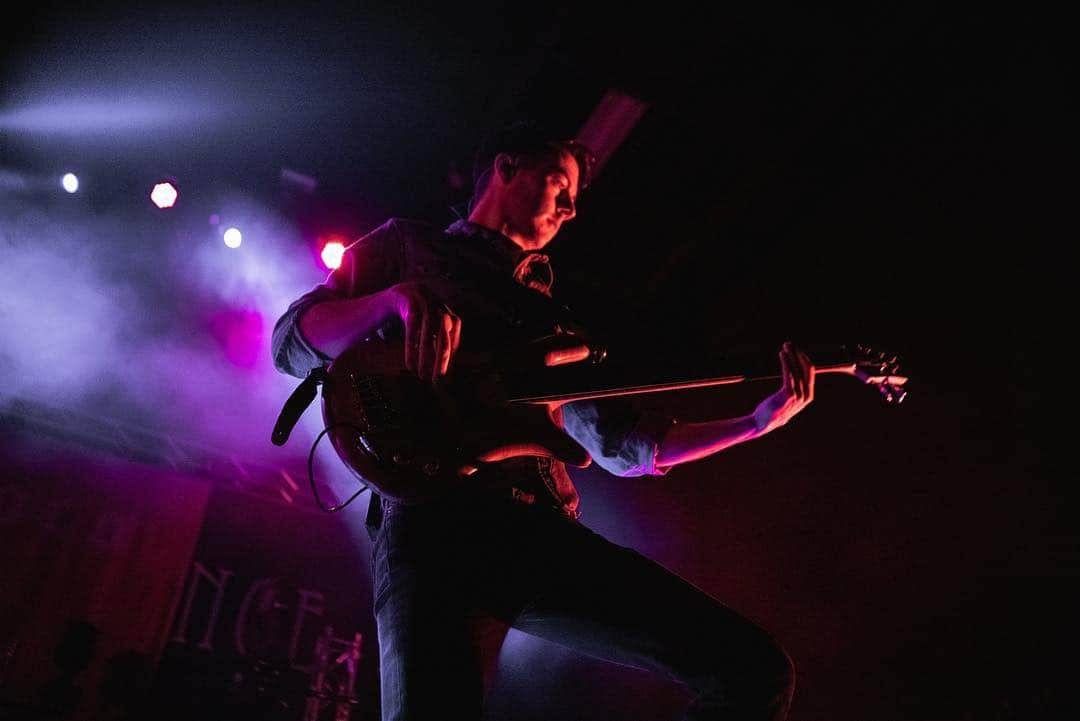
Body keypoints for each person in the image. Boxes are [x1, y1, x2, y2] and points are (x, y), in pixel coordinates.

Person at [271, 121, 815, 721]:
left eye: (576, 197)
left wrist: (753, 424)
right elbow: (290, 342)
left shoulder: (554, 325)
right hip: (433, 532)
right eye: (561, 183)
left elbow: (628, 444)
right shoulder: (408, 247)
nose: (571, 208)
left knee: (753, 671)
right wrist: (390, 299)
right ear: (507, 168)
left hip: (535, 532)